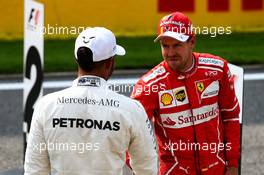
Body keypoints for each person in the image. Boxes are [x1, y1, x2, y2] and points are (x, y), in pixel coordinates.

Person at [24, 27, 158, 175]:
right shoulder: (132, 109)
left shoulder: (46, 106)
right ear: (110, 63)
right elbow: (147, 169)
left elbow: (34, 169)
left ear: (77, 60)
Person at [131, 12, 240, 175]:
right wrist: (143, 171)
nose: (170, 53)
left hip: (217, 169)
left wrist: (232, 164)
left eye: (176, 45)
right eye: (165, 46)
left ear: (192, 42)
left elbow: (230, 117)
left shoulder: (217, 70)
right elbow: (130, 132)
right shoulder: (149, 86)